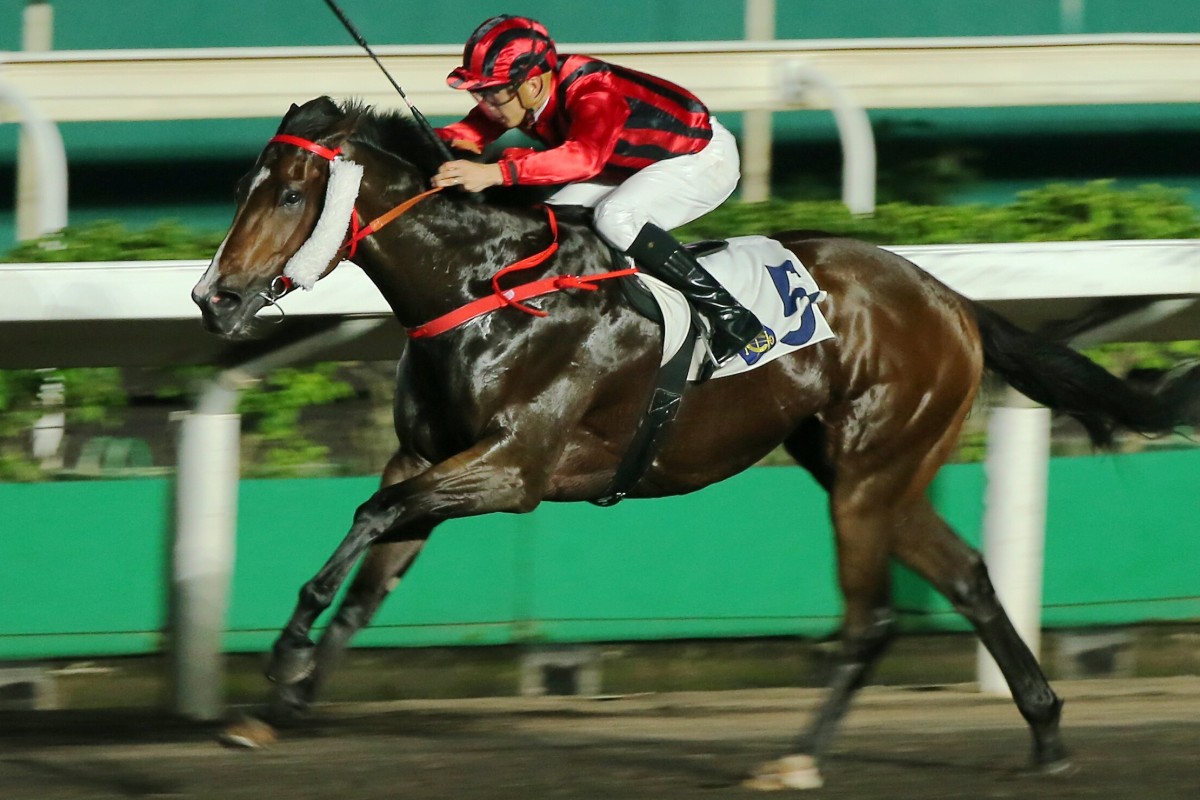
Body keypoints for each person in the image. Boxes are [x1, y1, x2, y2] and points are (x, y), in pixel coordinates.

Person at [432, 14, 762, 365]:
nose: (485, 104)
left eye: (492, 93)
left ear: (531, 86)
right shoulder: (518, 99)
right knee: (550, 222)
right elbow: (468, 133)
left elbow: (584, 159)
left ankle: (732, 317)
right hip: (630, 165)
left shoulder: (594, 90)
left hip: (701, 158)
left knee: (615, 218)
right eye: (479, 94)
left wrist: (495, 173)